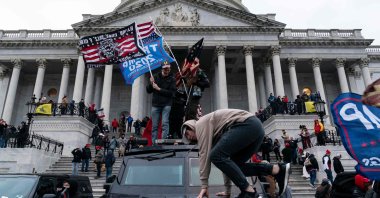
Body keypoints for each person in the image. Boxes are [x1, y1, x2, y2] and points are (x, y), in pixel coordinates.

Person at [181, 109, 290, 197]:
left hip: (247, 124)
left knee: (215, 155)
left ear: (191, 126)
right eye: (187, 138)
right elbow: (227, 166)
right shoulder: (214, 134)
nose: (188, 137)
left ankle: (249, 191)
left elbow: (204, 156)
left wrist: (204, 186)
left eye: (187, 133)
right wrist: (228, 191)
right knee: (235, 165)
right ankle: (276, 169)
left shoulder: (200, 124)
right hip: (256, 129)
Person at [146, 60, 176, 143]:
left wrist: (159, 89)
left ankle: (163, 142)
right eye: (165, 69)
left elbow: (172, 93)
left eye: (168, 69)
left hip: (166, 104)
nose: (166, 70)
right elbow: (148, 90)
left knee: (164, 123)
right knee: (154, 126)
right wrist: (150, 83)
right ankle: (154, 144)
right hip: (156, 104)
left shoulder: (172, 79)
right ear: (162, 69)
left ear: (170, 69)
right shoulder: (155, 77)